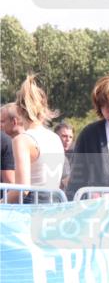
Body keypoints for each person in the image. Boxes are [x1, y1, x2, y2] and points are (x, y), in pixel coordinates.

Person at [6, 75, 64, 203]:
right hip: (55, 208)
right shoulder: (55, 138)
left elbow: (22, 190)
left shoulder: (22, 140)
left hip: (31, 211)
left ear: (19, 110)